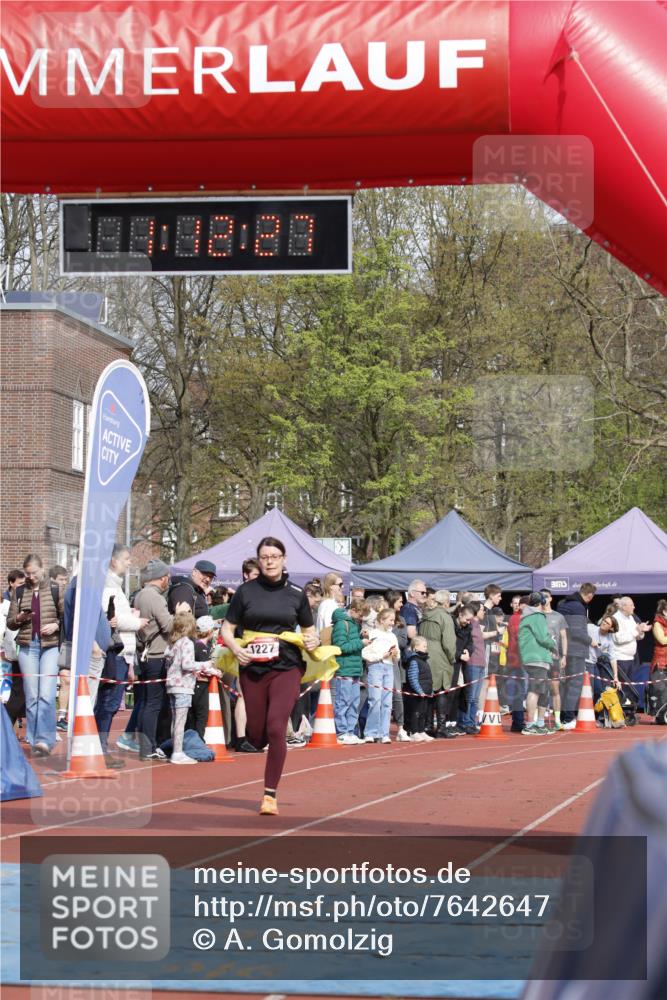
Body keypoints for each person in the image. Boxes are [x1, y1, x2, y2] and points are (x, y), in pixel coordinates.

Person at [220, 537, 319, 815]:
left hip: (286, 665)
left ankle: (269, 795)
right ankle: (259, 738)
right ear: (259, 560)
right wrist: (235, 647)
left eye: (275, 556)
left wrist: (311, 642)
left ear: (284, 559)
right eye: (265, 556)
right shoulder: (245, 592)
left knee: (276, 727)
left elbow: (309, 632)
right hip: (252, 666)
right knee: (256, 734)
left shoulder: (296, 594)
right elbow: (227, 628)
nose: (270, 561)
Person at [6, 554, 64, 757]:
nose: (30, 577)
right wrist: (20, 618)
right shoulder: (20, 591)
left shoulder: (56, 588)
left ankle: (45, 739)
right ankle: (33, 739)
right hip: (28, 646)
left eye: (34, 573)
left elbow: (66, 616)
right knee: (31, 697)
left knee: (46, 695)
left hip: (50, 646)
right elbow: (10, 623)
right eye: (27, 573)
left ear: (42, 568)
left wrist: (56, 624)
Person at [133, 559, 190, 760]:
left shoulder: (140, 595)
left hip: (146, 653)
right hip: (157, 654)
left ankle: (145, 745)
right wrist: (181, 614)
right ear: (163, 577)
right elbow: (167, 626)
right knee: (154, 703)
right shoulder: (155, 598)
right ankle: (148, 747)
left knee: (146, 701)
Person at [95, 544, 148, 762]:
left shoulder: (114, 587)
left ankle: (99, 745)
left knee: (109, 701)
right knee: (109, 701)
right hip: (115, 651)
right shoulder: (108, 587)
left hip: (121, 651)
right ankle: (99, 747)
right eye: (126, 559)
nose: (130, 563)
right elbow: (111, 619)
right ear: (113, 561)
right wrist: (137, 622)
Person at [165, 610, 221, 763]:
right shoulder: (188, 643)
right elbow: (187, 664)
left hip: (172, 684)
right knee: (180, 720)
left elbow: (168, 659)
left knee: (176, 719)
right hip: (183, 685)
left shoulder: (174, 643)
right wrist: (206, 664)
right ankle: (177, 752)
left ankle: (175, 749)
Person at [418, 589, 457, 738]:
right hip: (440, 656)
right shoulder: (444, 616)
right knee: (441, 690)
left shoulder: (426, 614)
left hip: (424, 654)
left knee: (428, 690)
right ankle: (441, 727)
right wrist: (451, 658)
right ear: (446, 602)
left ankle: (427, 725)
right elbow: (449, 642)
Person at [558, 583, 597, 728]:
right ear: (590, 595)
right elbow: (576, 631)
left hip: (564, 650)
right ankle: (568, 718)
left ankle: (562, 716)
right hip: (575, 651)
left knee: (565, 684)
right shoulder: (578, 607)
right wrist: (590, 641)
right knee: (575, 684)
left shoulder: (564, 604)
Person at [331, 598, 369, 745]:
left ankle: (350, 731)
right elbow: (340, 647)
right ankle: (341, 731)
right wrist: (360, 643)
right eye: (360, 615)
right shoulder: (342, 624)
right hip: (344, 669)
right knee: (343, 701)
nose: (361, 619)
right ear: (353, 610)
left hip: (354, 669)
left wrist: (360, 637)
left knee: (354, 701)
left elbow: (350, 642)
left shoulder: (353, 624)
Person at [519, 592, 556, 736]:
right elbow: (543, 637)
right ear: (542, 603)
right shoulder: (537, 616)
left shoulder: (529, 616)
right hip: (536, 657)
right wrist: (552, 642)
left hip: (536, 657)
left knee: (543, 691)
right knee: (535, 690)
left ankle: (539, 723)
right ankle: (530, 724)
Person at [362, 607, 400, 744]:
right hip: (375, 667)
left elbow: (398, 655)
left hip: (389, 668)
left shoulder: (392, 636)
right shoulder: (372, 634)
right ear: (382, 620)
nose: (392, 623)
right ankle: (370, 732)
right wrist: (380, 656)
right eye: (390, 620)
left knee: (387, 702)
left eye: (393, 620)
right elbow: (365, 653)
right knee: (375, 700)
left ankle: (384, 733)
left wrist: (395, 655)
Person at [613, 597, 652, 710]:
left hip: (631, 658)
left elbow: (637, 636)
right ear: (624, 606)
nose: (634, 607)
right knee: (621, 687)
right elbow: (618, 639)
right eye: (632, 605)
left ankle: (627, 711)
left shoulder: (631, 617)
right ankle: (619, 711)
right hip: (620, 658)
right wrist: (636, 631)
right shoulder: (616, 619)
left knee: (629, 687)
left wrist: (641, 630)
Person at [540, 588, 568, 731]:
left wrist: (564, 656)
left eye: (546, 596)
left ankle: (557, 719)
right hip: (539, 659)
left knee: (555, 689)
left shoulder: (558, 617)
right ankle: (539, 721)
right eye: (541, 597)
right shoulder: (536, 615)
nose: (544, 599)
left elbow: (563, 637)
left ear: (551, 598)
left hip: (555, 659)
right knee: (541, 690)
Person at [457, 601, 486, 734]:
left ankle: (471, 722)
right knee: (470, 695)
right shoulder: (470, 624)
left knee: (475, 697)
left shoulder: (477, 625)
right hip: (472, 663)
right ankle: (466, 721)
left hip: (480, 663)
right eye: (482, 609)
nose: (484, 611)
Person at [385, 590, 410, 742]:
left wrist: (388, 639)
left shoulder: (401, 621)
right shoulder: (379, 619)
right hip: (379, 661)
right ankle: (381, 728)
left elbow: (402, 641)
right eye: (399, 601)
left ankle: (401, 727)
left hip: (394, 662)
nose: (402, 604)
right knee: (380, 696)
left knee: (397, 695)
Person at [506, 595, 529, 732]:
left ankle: (518, 721)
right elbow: (521, 638)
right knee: (522, 692)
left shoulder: (516, 618)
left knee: (520, 692)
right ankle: (519, 721)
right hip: (520, 660)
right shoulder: (517, 618)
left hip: (516, 659)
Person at [404, 636, 434, 742]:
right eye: (424, 646)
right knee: (415, 712)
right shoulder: (414, 661)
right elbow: (413, 678)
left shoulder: (424, 660)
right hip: (417, 693)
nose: (426, 648)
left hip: (426, 692)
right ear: (416, 647)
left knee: (423, 712)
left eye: (426, 646)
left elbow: (428, 677)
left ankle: (421, 731)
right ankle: (414, 731)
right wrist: (419, 691)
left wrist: (430, 690)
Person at [451, 604, 475, 734]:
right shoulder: (451, 626)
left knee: (462, 694)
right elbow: (449, 645)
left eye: (470, 620)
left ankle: (459, 723)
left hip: (463, 664)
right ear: (460, 615)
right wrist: (459, 654)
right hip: (453, 663)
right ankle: (450, 723)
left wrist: (468, 652)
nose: (468, 622)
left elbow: (471, 643)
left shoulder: (468, 627)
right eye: (467, 619)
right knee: (452, 694)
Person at [650, 599, 667, 724]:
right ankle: (660, 715)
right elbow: (662, 640)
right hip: (661, 661)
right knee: (660, 690)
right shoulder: (657, 623)